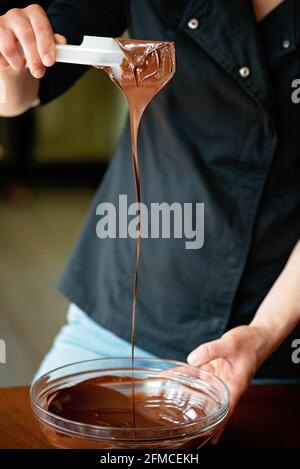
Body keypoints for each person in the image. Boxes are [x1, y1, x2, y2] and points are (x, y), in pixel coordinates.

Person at [0, 0, 299, 442]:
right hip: (124, 311)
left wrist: (263, 333)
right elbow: (18, 94)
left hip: (275, 337)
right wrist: (11, 54)